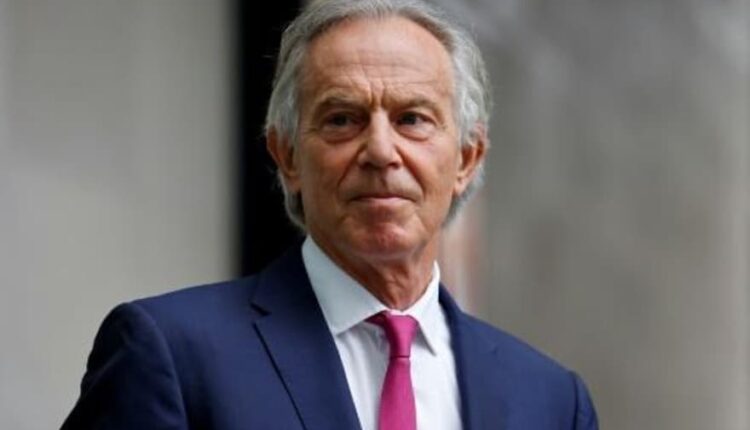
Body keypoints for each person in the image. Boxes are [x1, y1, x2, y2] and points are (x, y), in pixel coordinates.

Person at [62, 0, 598, 429]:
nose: (381, 151)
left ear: (466, 158)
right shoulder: (172, 355)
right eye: (342, 119)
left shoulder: (551, 401)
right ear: (287, 156)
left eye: (412, 119)